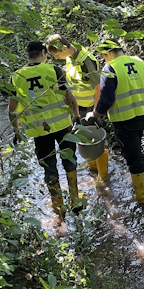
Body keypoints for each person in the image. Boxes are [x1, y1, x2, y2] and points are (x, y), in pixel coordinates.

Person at [8, 41, 81, 217]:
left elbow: (11, 111)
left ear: (27, 55)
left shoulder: (16, 77)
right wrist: (76, 117)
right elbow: (69, 97)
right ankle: (75, 201)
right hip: (63, 126)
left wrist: (17, 132)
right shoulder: (54, 71)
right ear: (43, 53)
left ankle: (58, 210)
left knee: (49, 167)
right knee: (69, 161)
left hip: (39, 132)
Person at [85, 39, 144, 203]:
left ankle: (143, 200)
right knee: (135, 149)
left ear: (108, 53)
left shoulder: (110, 68)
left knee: (134, 159)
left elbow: (106, 100)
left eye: (103, 56)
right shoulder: (141, 62)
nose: (104, 59)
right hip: (143, 115)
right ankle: (143, 189)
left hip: (124, 120)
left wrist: (94, 115)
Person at [46, 34, 109, 180]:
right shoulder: (70, 58)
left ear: (63, 48)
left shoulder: (84, 61)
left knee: (97, 141)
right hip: (78, 108)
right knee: (86, 140)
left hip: (90, 109)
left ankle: (103, 178)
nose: (55, 58)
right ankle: (94, 170)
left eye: (55, 54)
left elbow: (98, 87)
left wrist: (95, 113)